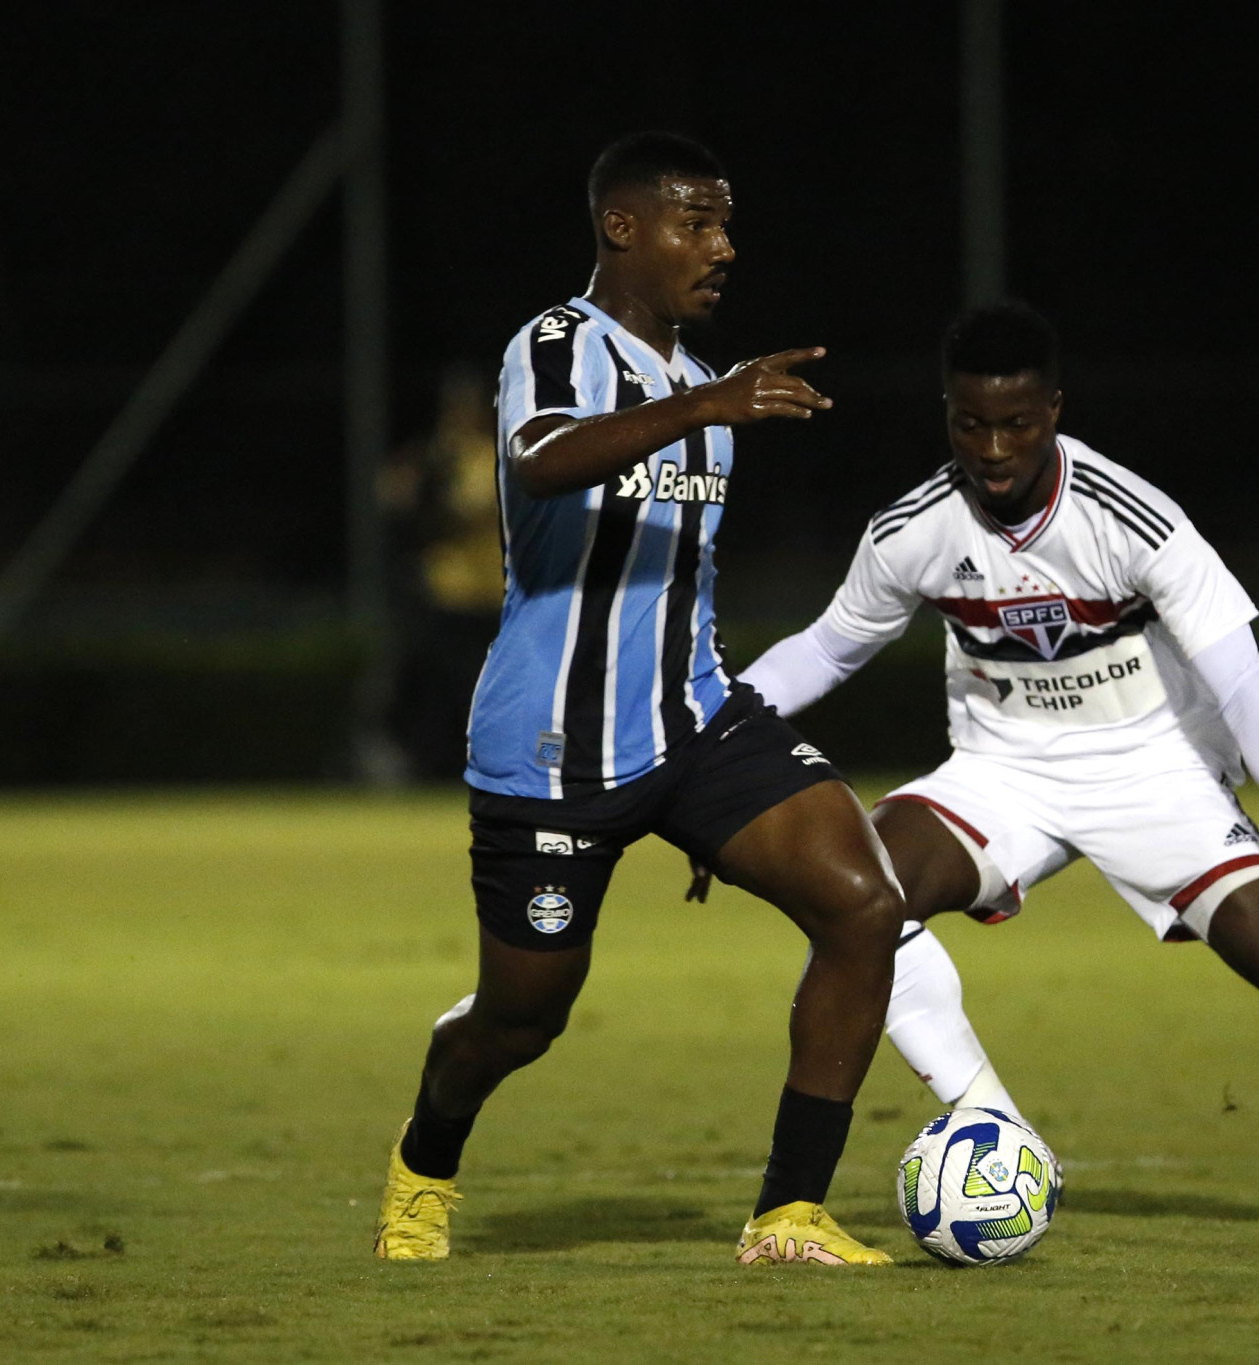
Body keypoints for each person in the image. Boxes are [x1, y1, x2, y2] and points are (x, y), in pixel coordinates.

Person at [721, 302, 1259, 1236]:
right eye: (970, 422)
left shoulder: (1133, 518)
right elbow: (823, 651)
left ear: (1052, 411)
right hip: (999, 770)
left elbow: (1245, 687)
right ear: (947, 413)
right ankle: (1001, 1134)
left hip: (1156, 768)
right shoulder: (912, 529)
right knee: (857, 901)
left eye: (1015, 422)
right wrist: (714, 743)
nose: (993, 446)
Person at [371, 132, 906, 1267]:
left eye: (726, 225)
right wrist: (709, 407)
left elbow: (678, 580)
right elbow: (545, 462)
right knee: (520, 1020)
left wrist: (722, 802)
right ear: (623, 228)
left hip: (695, 719)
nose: (722, 248)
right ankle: (423, 1166)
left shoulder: (694, 382)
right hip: (554, 745)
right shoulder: (559, 344)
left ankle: (788, 1214)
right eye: (696, 223)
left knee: (863, 903)